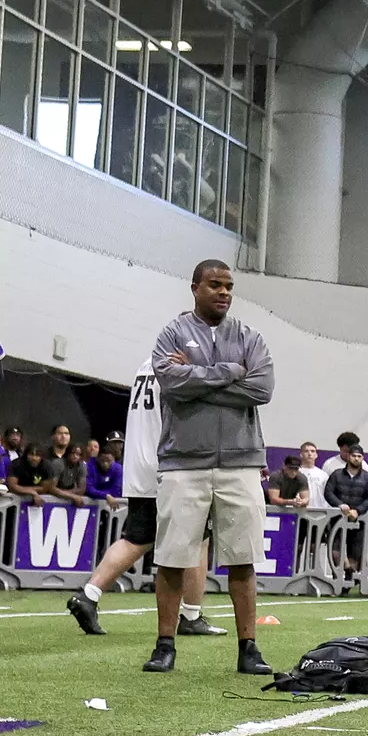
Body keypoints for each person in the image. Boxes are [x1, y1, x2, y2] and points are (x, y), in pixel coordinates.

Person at [143, 259, 275, 675]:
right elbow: (171, 384)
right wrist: (229, 374)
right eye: (215, 285)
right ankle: (165, 644)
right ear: (195, 287)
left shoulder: (249, 337)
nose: (223, 292)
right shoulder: (172, 333)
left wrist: (197, 379)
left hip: (241, 462)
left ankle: (248, 647)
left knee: (243, 557)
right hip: (184, 463)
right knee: (172, 557)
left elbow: (262, 388)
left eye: (229, 286)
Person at [68, 356, 223, 639]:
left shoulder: (144, 365)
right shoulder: (179, 367)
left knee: (137, 538)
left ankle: (88, 595)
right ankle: (191, 614)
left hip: (140, 465)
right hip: (169, 464)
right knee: (199, 538)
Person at [326, 442, 368, 581]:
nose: (356, 458)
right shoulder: (336, 475)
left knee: (355, 553)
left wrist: (358, 510)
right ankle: (337, 579)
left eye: (359, 456)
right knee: (334, 551)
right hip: (337, 519)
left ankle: (349, 579)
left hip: (359, 521)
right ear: (348, 457)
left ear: (362, 458)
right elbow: (328, 492)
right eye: (354, 456)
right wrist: (339, 505)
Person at [6, 441, 57, 505]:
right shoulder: (17, 464)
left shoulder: (46, 466)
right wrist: (33, 492)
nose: (34, 458)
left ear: (42, 457)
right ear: (26, 454)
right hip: (14, 500)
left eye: (37, 455)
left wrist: (22, 489)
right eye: (31, 454)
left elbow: (46, 488)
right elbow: (12, 486)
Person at [299, 442, 328, 508]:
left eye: (312, 451)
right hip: (300, 510)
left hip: (320, 509)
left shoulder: (323, 474)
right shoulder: (296, 473)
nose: (309, 454)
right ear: (301, 454)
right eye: (306, 451)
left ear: (316, 455)